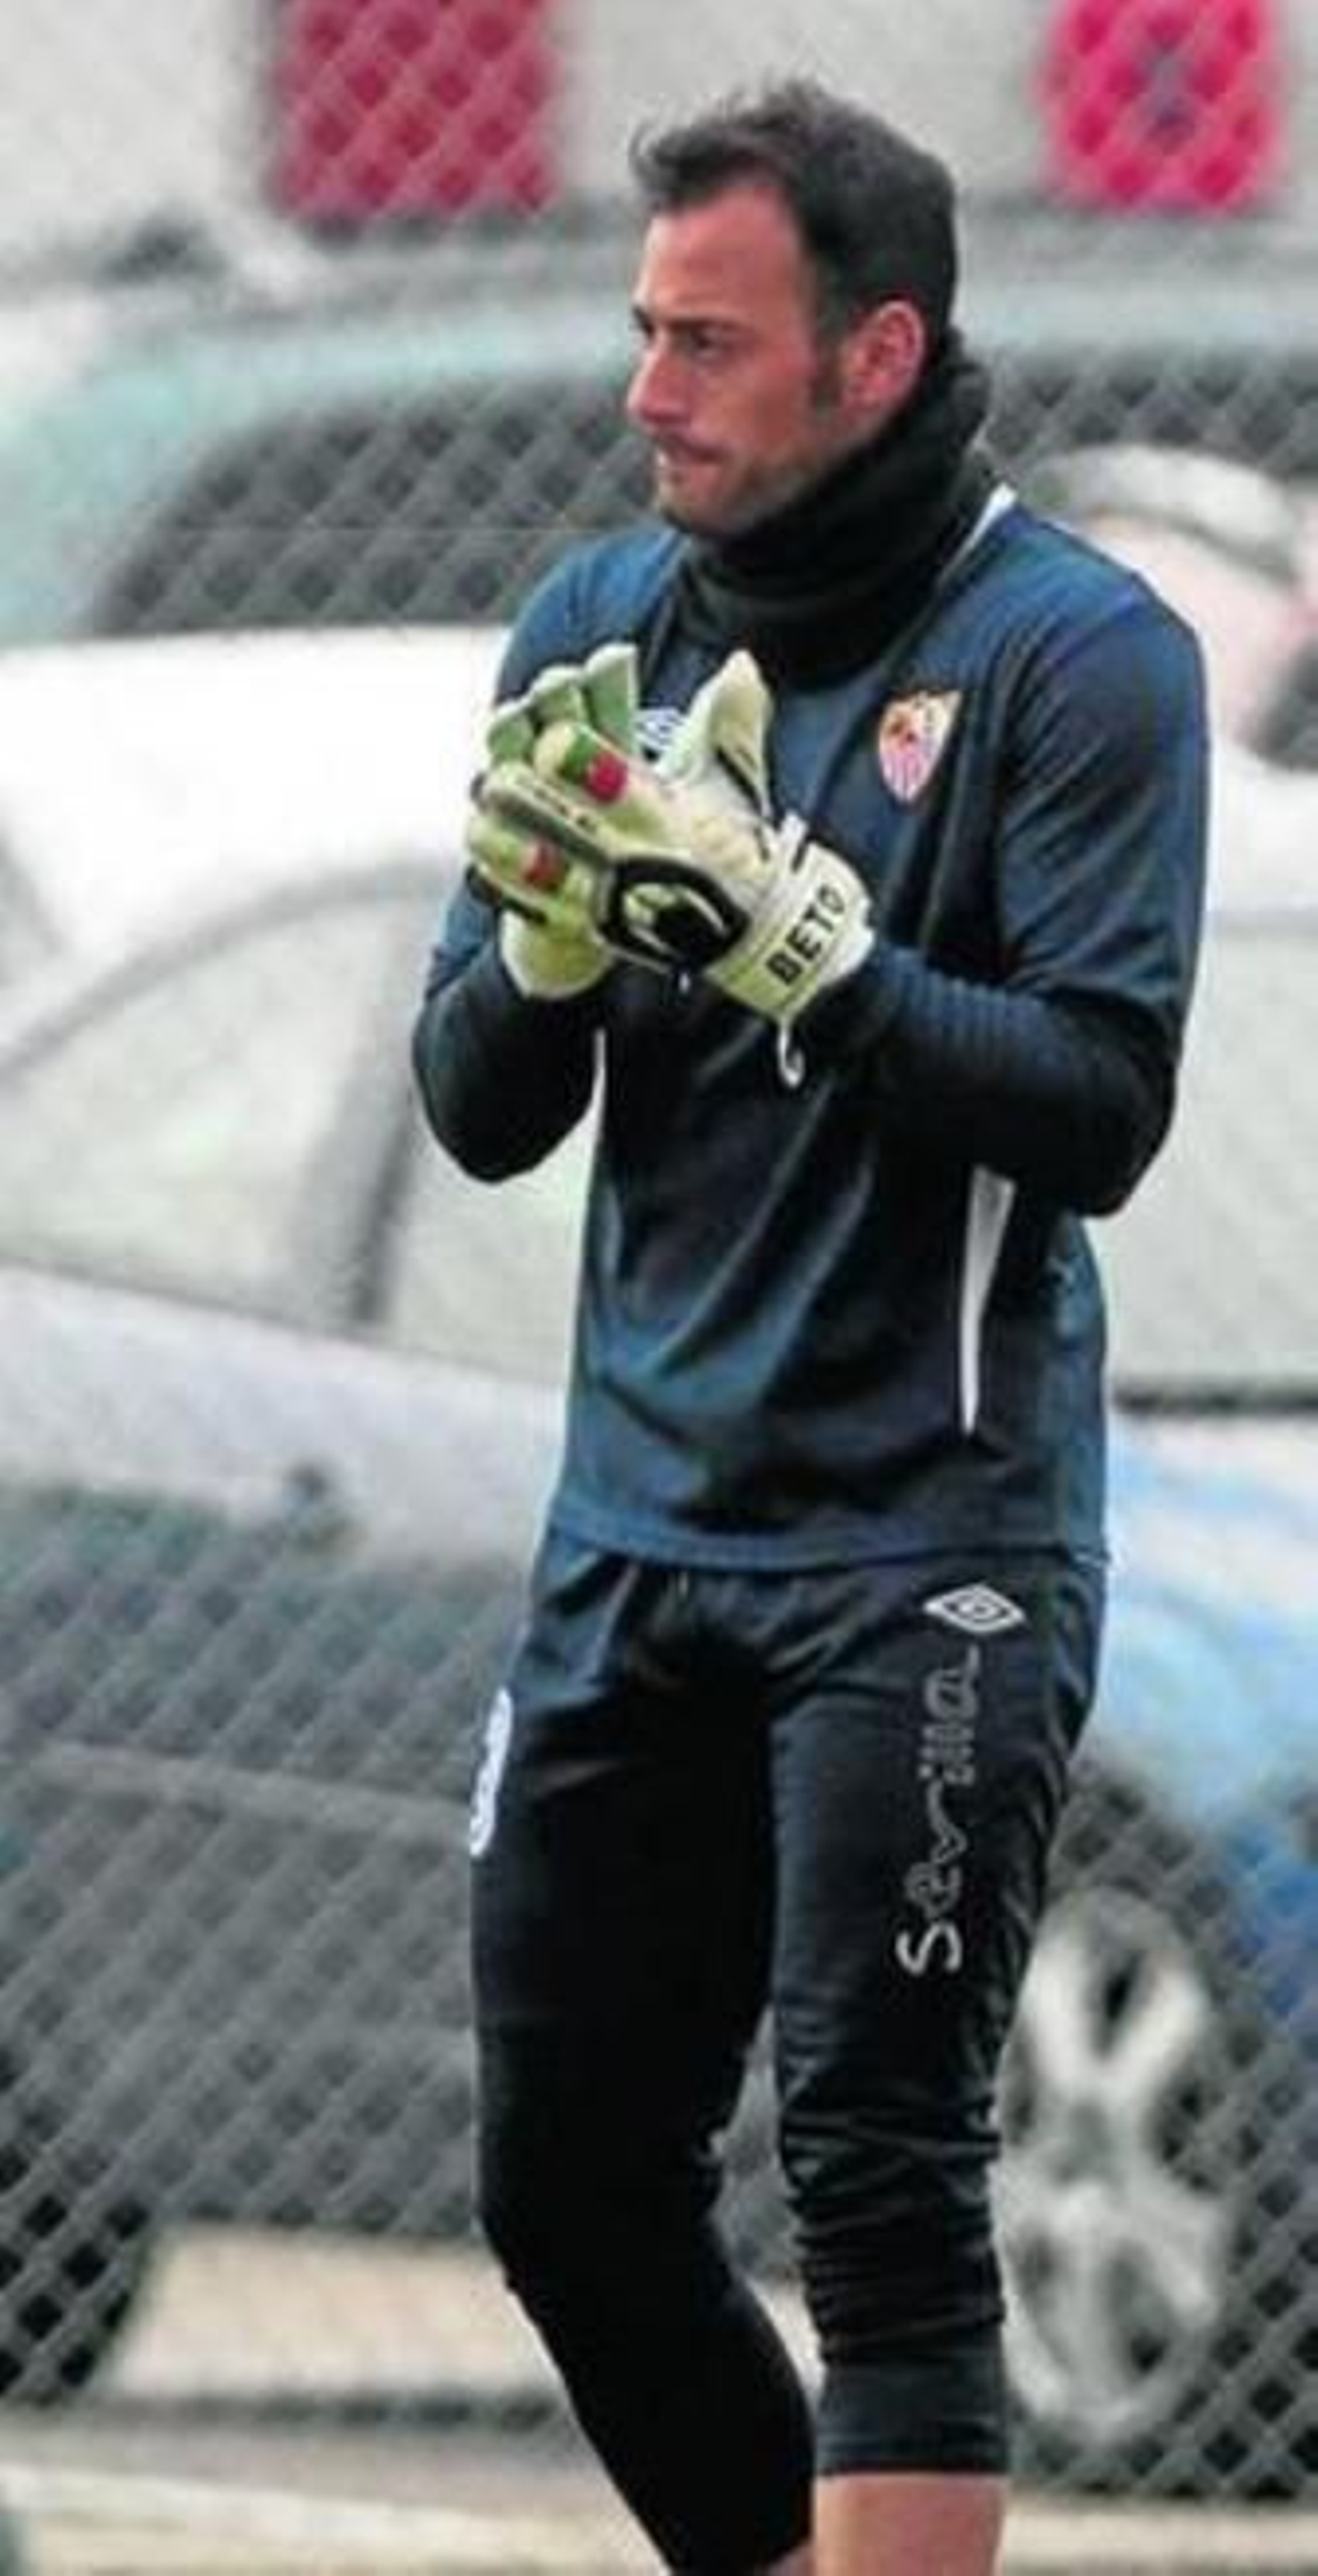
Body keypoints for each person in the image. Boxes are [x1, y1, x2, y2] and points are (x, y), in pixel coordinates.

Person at [412, 77, 1208, 2576]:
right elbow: (476, 1104)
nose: (647, 390)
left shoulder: (1080, 654)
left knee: (881, 2176)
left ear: (877, 355)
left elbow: (1097, 1104)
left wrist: (806, 948)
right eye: (645, 330)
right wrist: (552, 953)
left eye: (709, 344)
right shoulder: (598, 626)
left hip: (925, 1553)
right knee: (567, 2180)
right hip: (639, 1536)